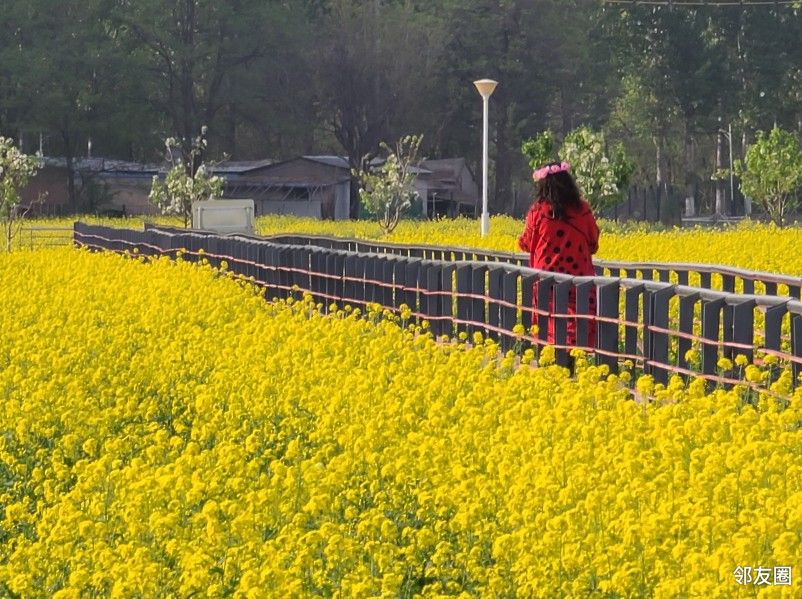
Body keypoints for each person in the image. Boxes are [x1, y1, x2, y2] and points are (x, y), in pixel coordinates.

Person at [517, 161, 599, 351]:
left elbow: (526, 243)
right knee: (579, 320)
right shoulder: (583, 209)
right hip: (580, 279)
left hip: (546, 279)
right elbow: (593, 242)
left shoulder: (538, 211)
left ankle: (551, 362)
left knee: (549, 321)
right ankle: (574, 362)